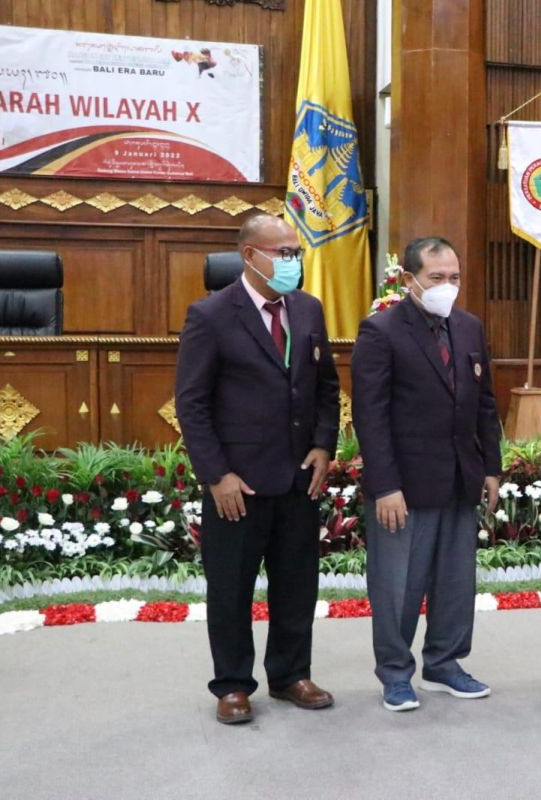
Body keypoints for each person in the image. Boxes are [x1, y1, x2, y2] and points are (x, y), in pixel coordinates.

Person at [175, 214, 340, 725]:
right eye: (284, 252)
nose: (294, 260)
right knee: (231, 588)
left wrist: (323, 445)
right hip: (237, 484)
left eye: (296, 251)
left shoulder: (308, 309)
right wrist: (216, 475)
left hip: (298, 478)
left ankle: (291, 674)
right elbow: (193, 404)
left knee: (297, 583)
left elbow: (326, 388)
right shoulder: (211, 315)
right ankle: (232, 685)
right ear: (251, 255)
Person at [351, 236, 502, 712]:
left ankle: (444, 663)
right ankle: (396, 674)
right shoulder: (381, 331)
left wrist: (492, 469)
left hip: (460, 478)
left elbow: (486, 404)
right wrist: (385, 486)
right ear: (409, 279)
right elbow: (369, 416)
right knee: (399, 584)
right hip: (405, 485)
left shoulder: (470, 327)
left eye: (454, 277)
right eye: (437, 278)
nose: (447, 286)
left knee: (456, 582)